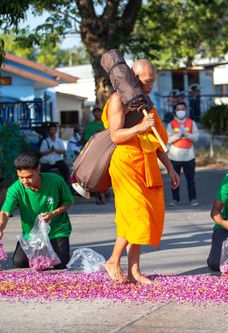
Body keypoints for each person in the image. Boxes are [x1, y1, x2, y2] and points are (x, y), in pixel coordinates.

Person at [103, 59, 180, 284]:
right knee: (136, 216)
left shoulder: (144, 102)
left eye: (153, 81)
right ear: (135, 78)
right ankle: (113, 260)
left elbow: (154, 140)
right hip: (125, 165)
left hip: (146, 164)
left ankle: (134, 271)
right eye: (148, 81)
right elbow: (115, 135)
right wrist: (139, 126)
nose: (151, 86)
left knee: (144, 217)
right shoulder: (118, 99)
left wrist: (171, 168)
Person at [0, 152, 74, 269]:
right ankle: (43, 249)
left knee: (60, 262)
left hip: (57, 230)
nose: (25, 181)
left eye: (29, 177)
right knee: (19, 262)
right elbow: (5, 212)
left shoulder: (56, 181)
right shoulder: (15, 189)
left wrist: (53, 213)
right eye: (21, 177)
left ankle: (54, 248)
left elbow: (68, 202)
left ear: (38, 170)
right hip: (32, 235)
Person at [166, 102, 200, 207]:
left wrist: (186, 134)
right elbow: (167, 139)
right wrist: (178, 135)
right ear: (175, 111)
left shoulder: (191, 123)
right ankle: (175, 199)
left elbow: (196, 137)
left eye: (182, 109)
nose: (181, 111)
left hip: (189, 156)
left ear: (186, 110)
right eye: (178, 109)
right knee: (175, 180)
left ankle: (193, 199)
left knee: (191, 180)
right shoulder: (171, 124)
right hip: (174, 156)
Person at [83, 106, 109, 204]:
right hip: (95, 152)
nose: (97, 114)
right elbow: (86, 139)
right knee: (98, 173)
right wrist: (96, 135)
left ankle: (105, 194)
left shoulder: (107, 123)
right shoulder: (90, 126)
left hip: (106, 151)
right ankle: (101, 196)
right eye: (95, 112)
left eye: (99, 112)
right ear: (93, 114)